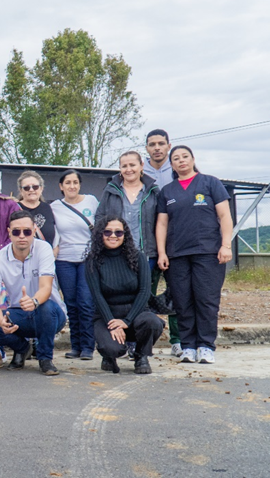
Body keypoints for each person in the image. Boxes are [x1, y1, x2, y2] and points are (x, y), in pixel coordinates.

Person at [156, 145, 233, 365]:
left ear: (192, 159)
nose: (181, 161)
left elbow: (224, 216)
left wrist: (225, 245)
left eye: (185, 157)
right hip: (177, 254)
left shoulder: (210, 183)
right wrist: (162, 252)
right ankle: (188, 346)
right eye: (176, 159)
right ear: (171, 164)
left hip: (208, 253)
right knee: (183, 301)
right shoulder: (167, 192)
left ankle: (206, 346)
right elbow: (162, 223)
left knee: (206, 300)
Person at [0, 210, 67, 376]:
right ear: (9, 232)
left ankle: (45, 358)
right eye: (16, 232)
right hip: (19, 313)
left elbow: (46, 288)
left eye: (27, 231)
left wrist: (34, 302)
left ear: (34, 230)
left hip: (49, 313)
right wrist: (1, 321)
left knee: (45, 307)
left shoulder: (44, 249)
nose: (22, 236)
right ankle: (22, 349)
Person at [95, 151, 163, 359]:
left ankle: (139, 346)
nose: (129, 169)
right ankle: (116, 337)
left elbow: (162, 222)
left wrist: (161, 251)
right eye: (124, 166)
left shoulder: (153, 191)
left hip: (146, 253)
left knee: (142, 297)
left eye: (133, 165)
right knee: (114, 295)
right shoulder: (111, 190)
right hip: (114, 252)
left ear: (142, 165)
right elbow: (100, 219)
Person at [85, 217, 165, 374]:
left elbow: (144, 292)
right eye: (107, 231)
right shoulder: (92, 260)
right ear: (100, 234)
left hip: (135, 313)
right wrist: (112, 323)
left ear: (125, 234)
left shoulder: (138, 257)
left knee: (152, 322)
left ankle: (141, 355)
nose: (113, 235)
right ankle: (108, 356)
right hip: (108, 314)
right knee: (113, 349)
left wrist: (127, 321)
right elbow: (97, 296)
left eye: (118, 232)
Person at [51, 169, 99, 361]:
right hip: (64, 260)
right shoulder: (55, 206)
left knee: (86, 303)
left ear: (80, 184)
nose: (72, 186)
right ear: (61, 186)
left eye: (75, 182)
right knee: (71, 303)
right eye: (67, 183)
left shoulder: (91, 201)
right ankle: (76, 346)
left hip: (88, 258)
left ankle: (88, 346)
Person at [142, 129, 181, 356]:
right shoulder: (139, 170)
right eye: (152, 144)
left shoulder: (177, 168)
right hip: (146, 244)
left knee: (177, 292)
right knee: (144, 292)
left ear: (168, 145)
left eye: (161, 143)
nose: (156, 147)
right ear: (146, 148)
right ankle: (144, 339)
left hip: (174, 243)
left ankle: (177, 340)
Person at [16, 170, 57, 248]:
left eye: (35, 187)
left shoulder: (48, 207)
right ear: (21, 190)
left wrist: (55, 249)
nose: (31, 190)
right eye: (26, 188)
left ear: (41, 188)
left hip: (45, 256)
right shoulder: (14, 208)